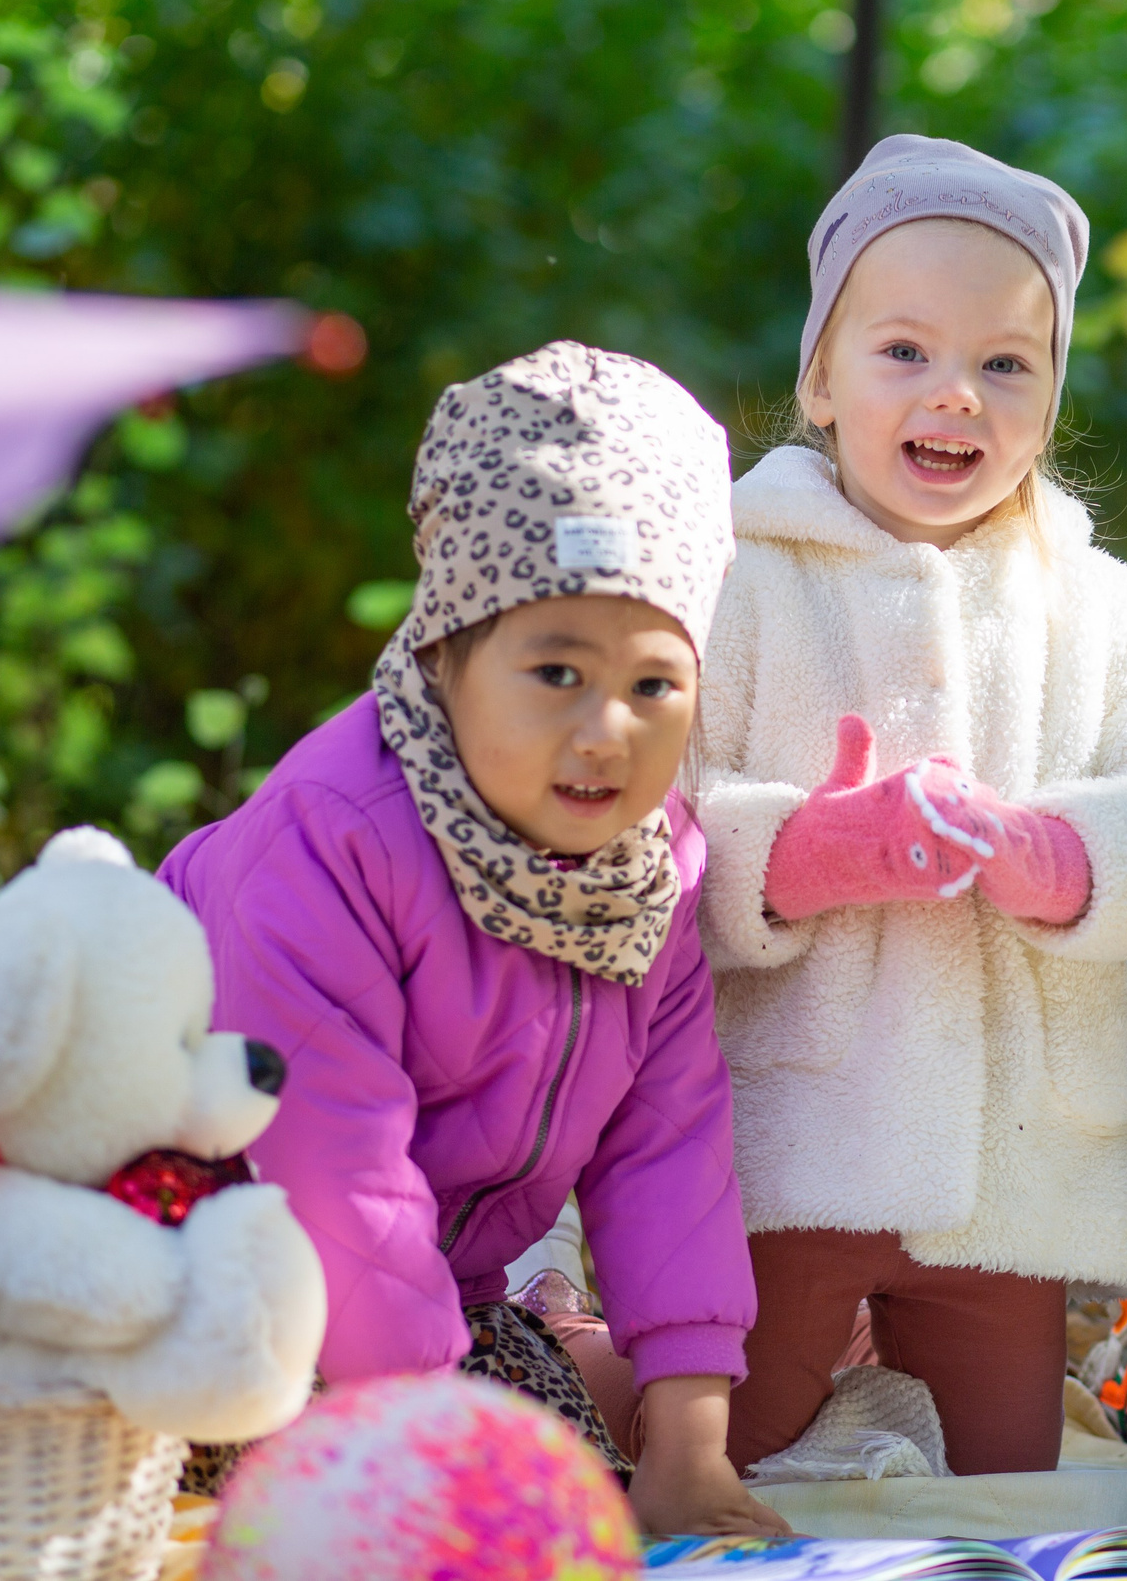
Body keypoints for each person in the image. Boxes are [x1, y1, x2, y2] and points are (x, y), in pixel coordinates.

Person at [696, 135, 1127, 1475]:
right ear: (819, 381)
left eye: (1007, 362)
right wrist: (794, 852)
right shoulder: (738, 579)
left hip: (1012, 1168)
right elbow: (650, 805)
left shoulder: (1097, 604)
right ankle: (578, 1369)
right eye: (905, 351)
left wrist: (1064, 854)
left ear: (1052, 397)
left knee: (1000, 1471)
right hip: (790, 1142)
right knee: (740, 1441)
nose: (957, 393)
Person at [161, 344, 773, 1538]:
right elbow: (331, 1165)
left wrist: (690, 1444)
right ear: (446, 654)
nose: (606, 731)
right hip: (211, 1273)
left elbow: (670, 1145)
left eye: (655, 686)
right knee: (354, 1514)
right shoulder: (334, 840)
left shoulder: (656, 873)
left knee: (581, 1497)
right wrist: (438, 1449)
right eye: (556, 672)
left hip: (435, 1300)